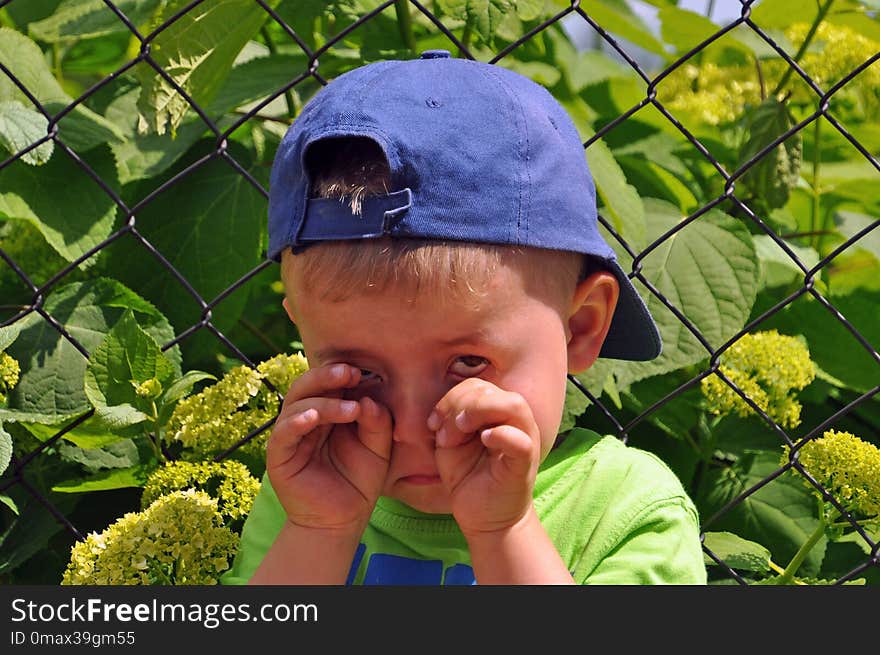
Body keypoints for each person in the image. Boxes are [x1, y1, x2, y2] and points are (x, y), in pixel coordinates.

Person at [221, 50, 707, 585]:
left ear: (580, 327)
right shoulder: (306, 492)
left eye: (469, 362)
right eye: (363, 374)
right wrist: (318, 531)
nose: (411, 426)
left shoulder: (624, 512)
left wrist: (506, 530)